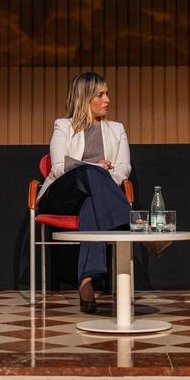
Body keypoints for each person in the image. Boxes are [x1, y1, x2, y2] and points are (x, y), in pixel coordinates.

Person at [36, 72, 132, 314]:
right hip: (62, 195)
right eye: (101, 94)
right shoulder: (63, 125)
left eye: (107, 93)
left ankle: (86, 281)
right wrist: (95, 168)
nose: (108, 99)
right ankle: (130, 221)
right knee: (91, 173)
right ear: (85, 98)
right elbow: (58, 168)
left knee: (92, 201)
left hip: (96, 198)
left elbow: (123, 169)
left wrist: (101, 174)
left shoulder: (116, 129)